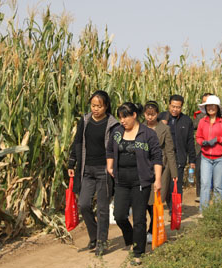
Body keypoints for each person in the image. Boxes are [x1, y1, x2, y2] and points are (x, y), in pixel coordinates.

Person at [106, 102, 163, 264]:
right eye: (120, 117)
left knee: (139, 218)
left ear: (134, 115)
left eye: (125, 117)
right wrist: (110, 165)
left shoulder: (147, 134)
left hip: (141, 181)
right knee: (119, 215)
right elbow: (110, 149)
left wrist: (157, 179)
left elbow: (157, 157)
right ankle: (131, 239)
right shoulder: (117, 132)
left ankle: (138, 252)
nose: (122, 120)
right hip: (121, 181)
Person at [67, 91, 119, 256]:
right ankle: (94, 236)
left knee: (103, 208)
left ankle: (102, 241)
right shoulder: (85, 120)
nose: (95, 109)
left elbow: (116, 148)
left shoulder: (112, 124)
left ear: (106, 106)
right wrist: (72, 162)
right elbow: (78, 142)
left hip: (104, 169)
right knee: (84, 204)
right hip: (86, 169)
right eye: (93, 105)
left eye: (99, 106)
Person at [143, 101, 178, 243]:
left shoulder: (165, 129)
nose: (150, 117)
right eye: (147, 114)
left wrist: (174, 173)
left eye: (153, 115)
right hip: (144, 169)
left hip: (161, 169)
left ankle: (152, 229)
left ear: (157, 114)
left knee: (155, 201)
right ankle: (147, 228)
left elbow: (170, 151)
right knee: (144, 201)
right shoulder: (139, 127)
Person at [158, 95, 197, 210]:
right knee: (164, 184)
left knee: (176, 184)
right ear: (169, 105)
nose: (175, 109)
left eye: (178, 107)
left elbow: (190, 141)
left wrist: (192, 160)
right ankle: (160, 206)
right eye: (173, 106)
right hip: (163, 157)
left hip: (179, 156)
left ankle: (175, 210)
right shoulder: (160, 117)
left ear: (182, 107)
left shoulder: (186, 120)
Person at [195, 95, 222, 213]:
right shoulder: (202, 121)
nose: (210, 108)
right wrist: (203, 142)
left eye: (213, 106)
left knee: (218, 186)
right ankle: (204, 211)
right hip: (205, 157)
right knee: (205, 184)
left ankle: (217, 212)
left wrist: (218, 139)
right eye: (208, 106)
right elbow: (198, 137)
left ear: (217, 108)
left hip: (220, 158)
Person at [193, 93, 212, 202]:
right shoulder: (199, 115)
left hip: (214, 148)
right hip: (200, 148)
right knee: (199, 170)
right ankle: (199, 194)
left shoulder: (219, 116)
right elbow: (194, 125)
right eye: (204, 102)